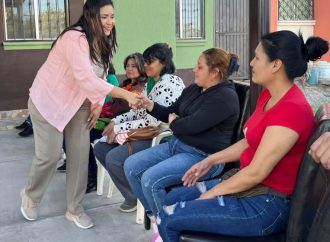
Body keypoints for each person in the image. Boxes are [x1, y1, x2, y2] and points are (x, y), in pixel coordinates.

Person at [155, 31, 329, 242]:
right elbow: (250, 141)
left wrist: (213, 192)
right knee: (172, 198)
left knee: (169, 217)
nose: (251, 62)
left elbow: (256, 172)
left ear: (276, 65)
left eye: (257, 57)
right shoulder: (269, 95)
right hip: (252, 187)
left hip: (266, 204)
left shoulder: (291, 109)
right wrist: (211, 160)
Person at [20, 0, 142, 230]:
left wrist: (97, 102)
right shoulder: (73, 39)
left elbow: (101, 75)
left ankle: (74, 209)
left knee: (79, 156)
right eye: (104, 16)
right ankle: (30, 195)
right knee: (50, 156)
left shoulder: (103, 41)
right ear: (90, 15)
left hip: (80, 104)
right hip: (49, 101)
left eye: (112, 16)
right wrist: (126, 96)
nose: (109, 22)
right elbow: (85, 78)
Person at [124, 47, 241, 240]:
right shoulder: (195, 89)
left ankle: (167, 230)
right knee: (131, 166)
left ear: (215, 73)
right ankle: (158, 220)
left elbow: (190, 126)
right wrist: (149, 104)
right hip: (177, 146)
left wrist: (176, 123)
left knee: (150, 180)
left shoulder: (225, 97)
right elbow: (171, 112)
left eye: (199, 67)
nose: (194, 69)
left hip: (203, 157)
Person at [94, 43, 185, 213]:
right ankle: (135, 191)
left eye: (150, 61)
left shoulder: (170, 82)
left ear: (163, 63)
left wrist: (120, 127)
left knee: (114, 158)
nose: (146, 66)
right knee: (100, 147)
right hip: (145, 133)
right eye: (145, 61)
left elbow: (152, 121)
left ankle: (135, 197)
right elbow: (139, 112)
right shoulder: (153, 82)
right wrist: (116, 121)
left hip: (160, 136)